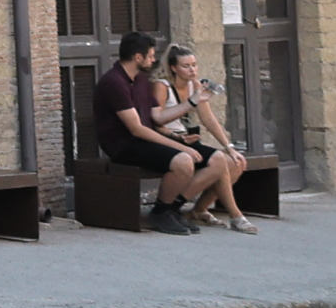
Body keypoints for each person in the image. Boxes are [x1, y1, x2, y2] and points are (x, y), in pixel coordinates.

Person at [90, 31, 240, 233]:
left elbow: (156, 119)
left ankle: (173, 210)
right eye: (151, 56)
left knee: (217, 159)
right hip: (124, 145)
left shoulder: (141, 80)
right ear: (138, 57)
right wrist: (179, 147)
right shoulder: (114, 82)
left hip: (146, 139)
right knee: (183, 161)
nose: (153, 60)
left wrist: (175, 136)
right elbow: (136, 129)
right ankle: (160, 213)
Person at [157, 45, 260, 231]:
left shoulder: (194, 85)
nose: (192, 70)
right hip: (169, 139)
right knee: (218, 160)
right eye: (186, 66)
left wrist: (228, 146)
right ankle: (236, 216)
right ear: (174, 68)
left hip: (188, 138)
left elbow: (208, 119)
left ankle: (199, 209)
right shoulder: (162, 86)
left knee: (235, 162)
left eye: (194, 65)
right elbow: (156, 122)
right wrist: (191, 103)